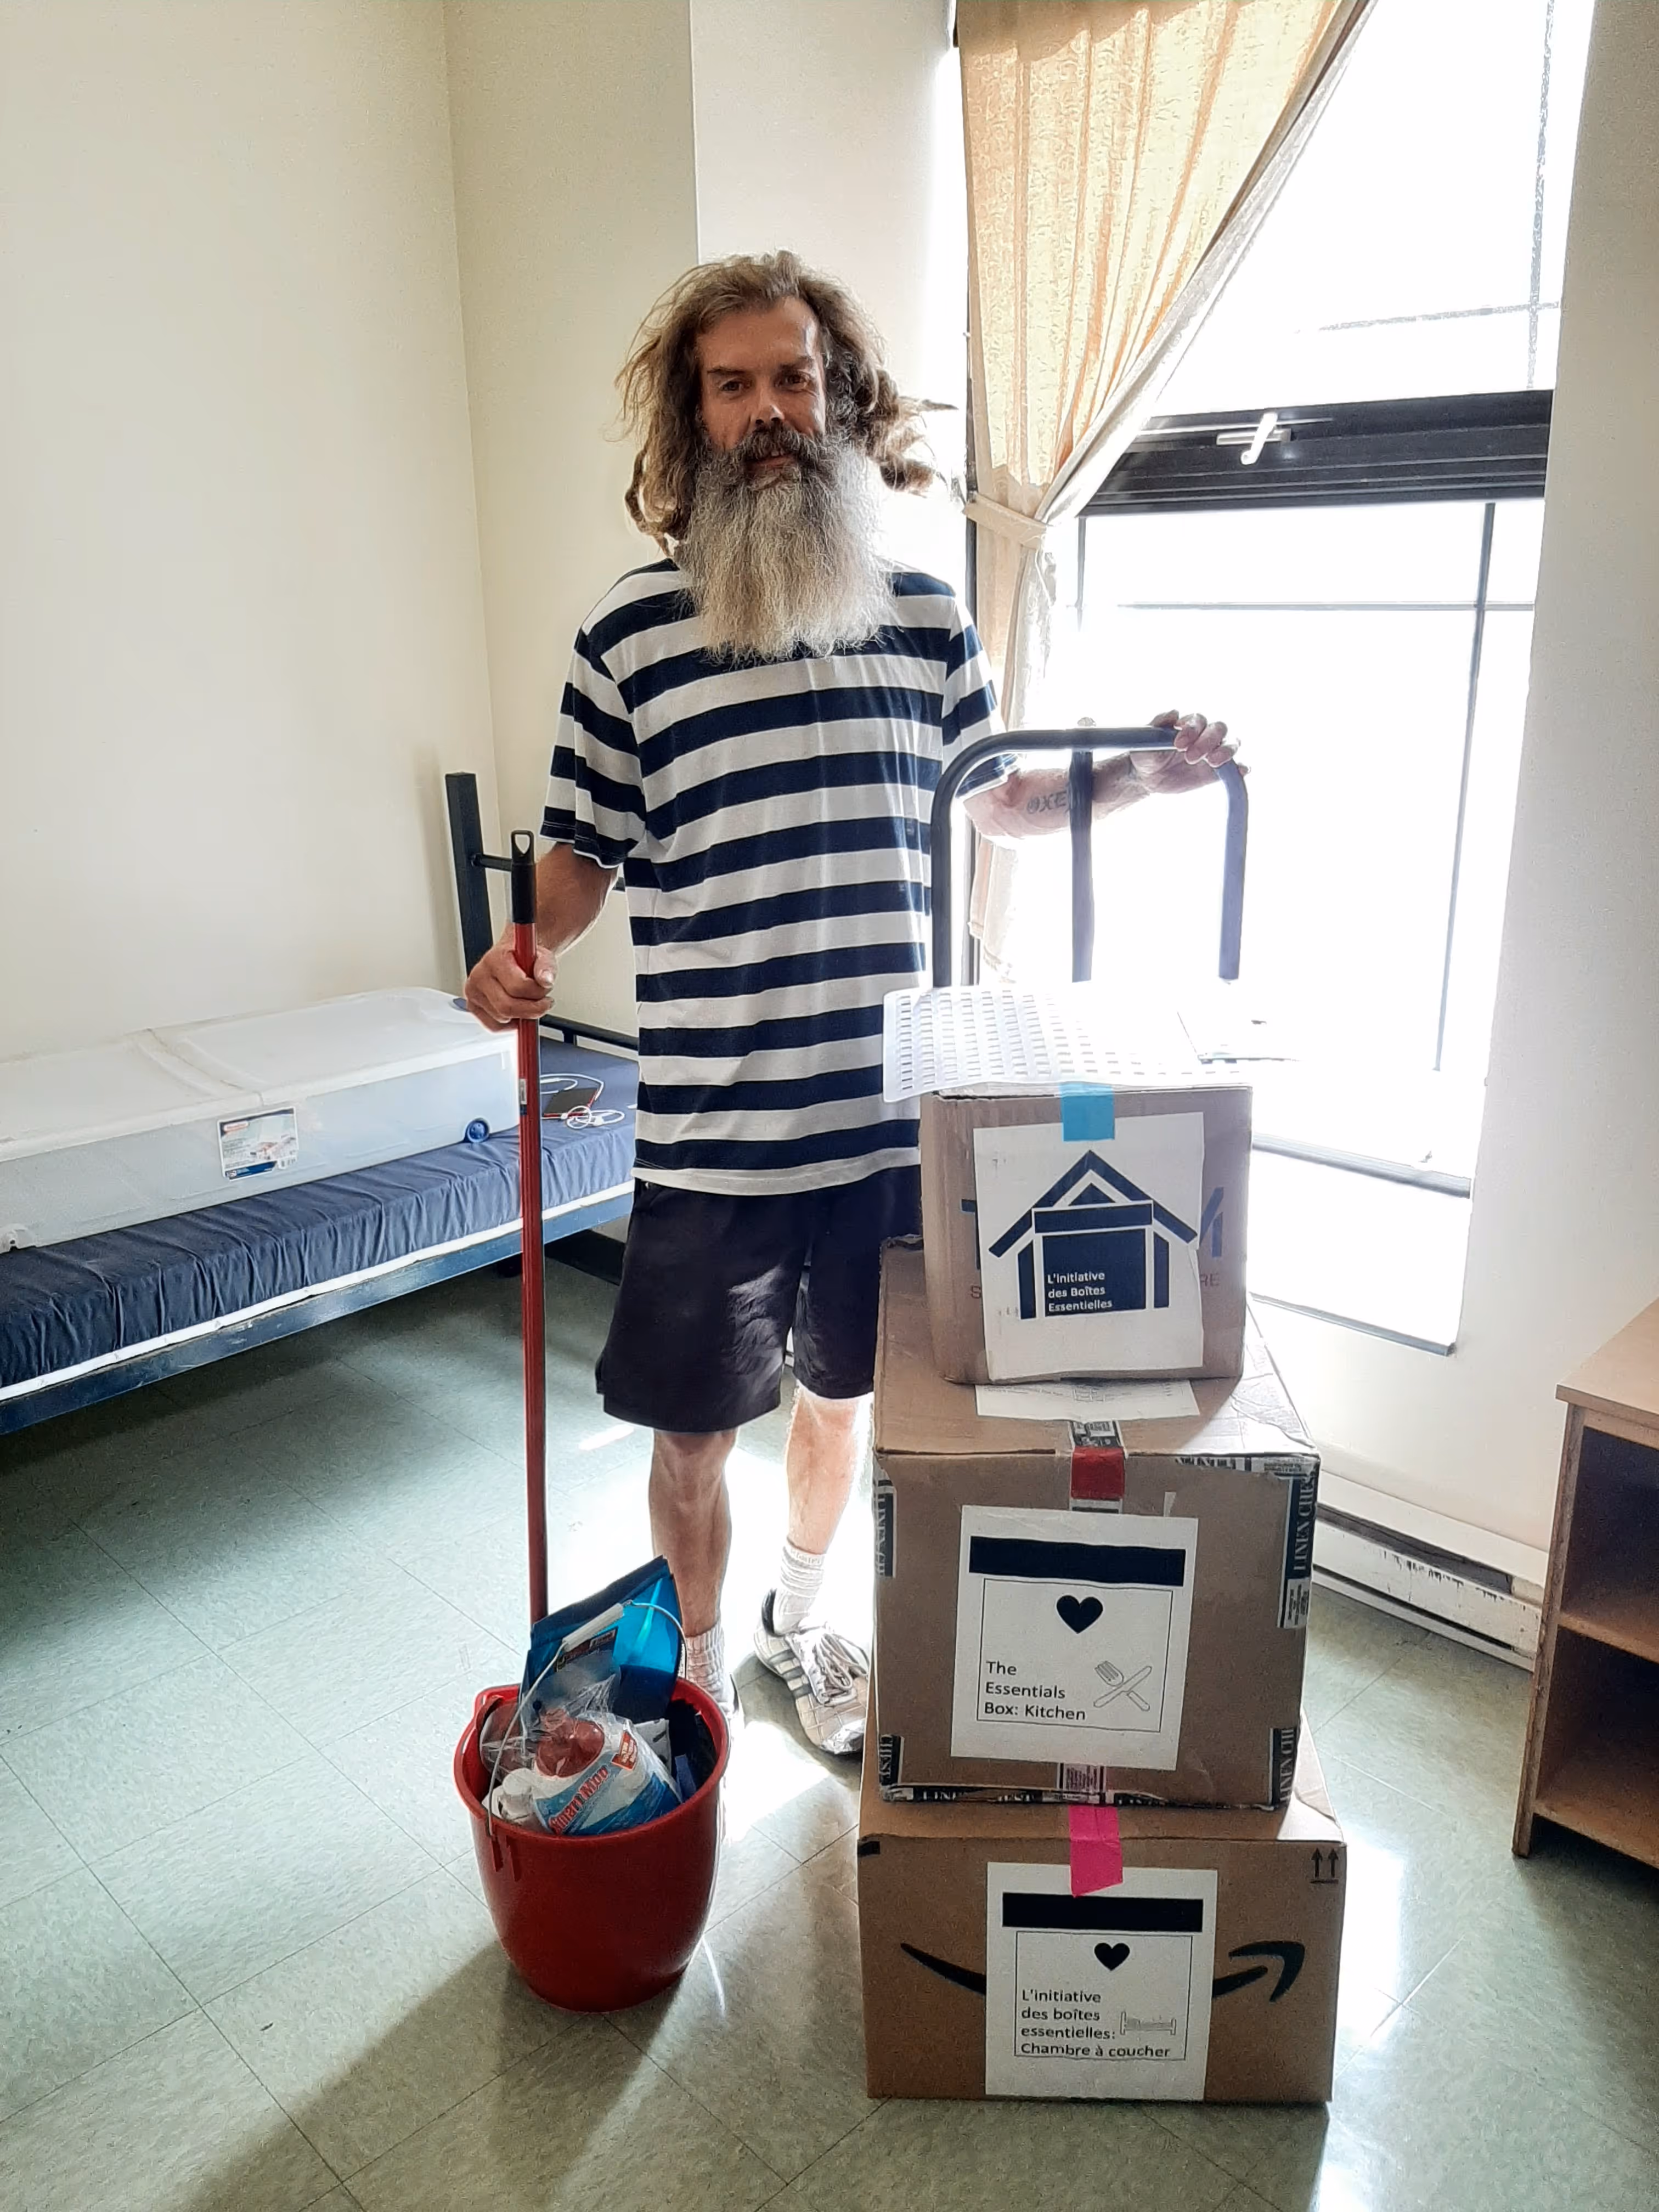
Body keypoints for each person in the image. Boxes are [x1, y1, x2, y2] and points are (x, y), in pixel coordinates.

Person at [464, 251, 1235, 1756]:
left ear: (842, 398)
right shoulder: (626, 636)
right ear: (692, 416)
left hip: (885, 1118)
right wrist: (518, 949)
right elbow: (582, 853)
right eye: (734, 383)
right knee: (694, 1436)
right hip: (711, 1130)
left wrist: (1145, 775)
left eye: (795, 378)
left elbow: (1001, 804)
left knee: (843, 1404)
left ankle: (797, 1629)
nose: (768, 410)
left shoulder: (931, 620)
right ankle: (687, 1680)